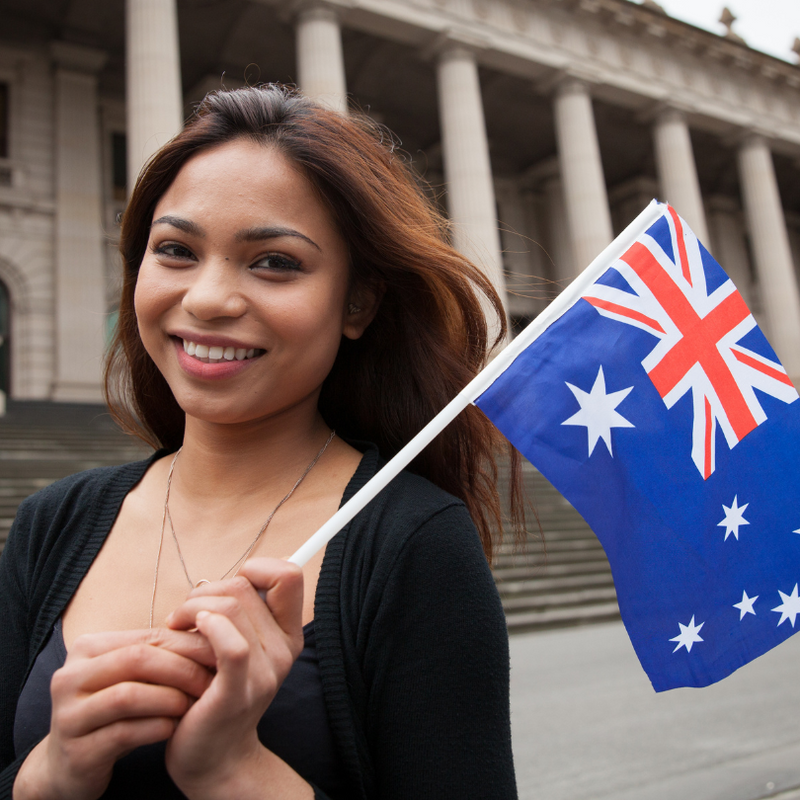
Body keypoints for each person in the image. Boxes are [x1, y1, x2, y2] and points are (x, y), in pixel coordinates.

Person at [0, 85, 523, 799]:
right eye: (176, 250)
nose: (209, 298)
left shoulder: (413, 543)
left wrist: (233, 771)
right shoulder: (51, 524)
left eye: (274, 262)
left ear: (358, 303)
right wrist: (48, 775)